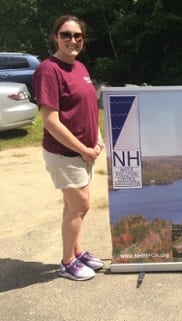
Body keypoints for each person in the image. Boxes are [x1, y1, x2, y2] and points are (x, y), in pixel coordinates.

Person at [33, 15, 105, 281]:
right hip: (65, 153)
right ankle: (67, 262)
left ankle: (77, 252)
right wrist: (83, 150)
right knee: (81, 205)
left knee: (73, 206)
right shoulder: (48, 70)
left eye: (78, 36)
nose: (72, 40)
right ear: (55, 37)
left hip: (84, 151)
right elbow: (51, 121)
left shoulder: (81, 68)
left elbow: (88, 108)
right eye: (66, 34)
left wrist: (96, 138)